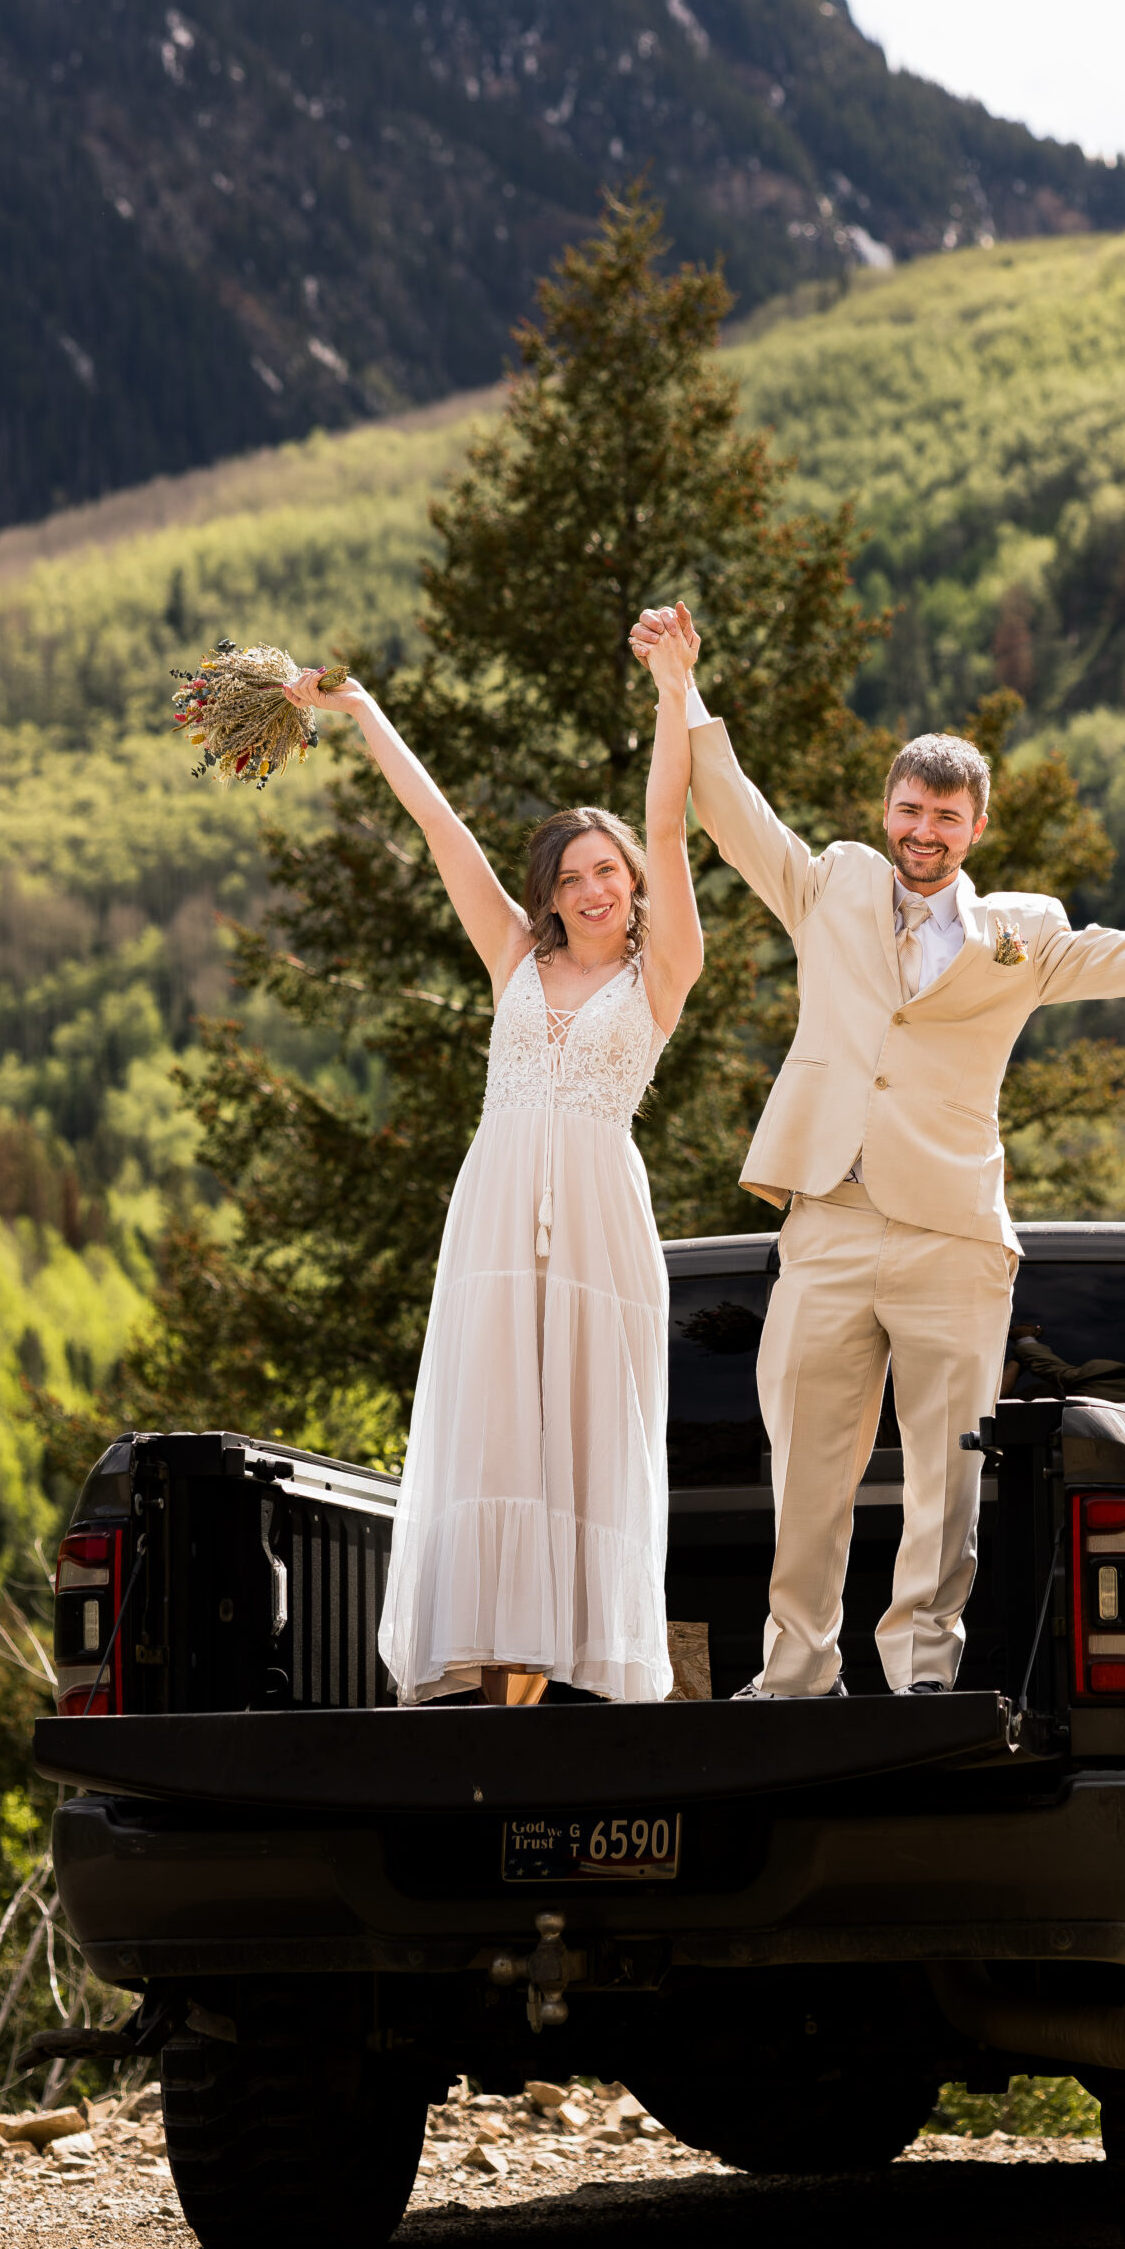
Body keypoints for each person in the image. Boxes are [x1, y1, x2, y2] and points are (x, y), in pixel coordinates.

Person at [630, 600, 1125, 1699]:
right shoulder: (827, 885)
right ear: (888, 809)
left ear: (975, 827)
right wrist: (680, 686)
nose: (926, 830)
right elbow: (734, 815)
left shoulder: (1023, 931)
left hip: (955, 1237)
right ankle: (796, 1675)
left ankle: (922, 1671)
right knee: (808, 1470)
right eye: (911, 808)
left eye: (948, 816)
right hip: (827, 1217)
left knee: (943, 1482)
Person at [280, 618, 704, 1707]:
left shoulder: (664, 972)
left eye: (608, 869)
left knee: (586, 1437)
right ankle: (489, 1690)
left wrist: (673, 691)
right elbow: (438, 826)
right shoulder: (515, 955)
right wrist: (365, 710)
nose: (596, 886)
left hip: (602, 1222)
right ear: (551, 894)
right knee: (497, 1435)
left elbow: (667, 817)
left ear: (632, 882)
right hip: (496, 1214)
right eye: (573, 876)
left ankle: (575, 1687)